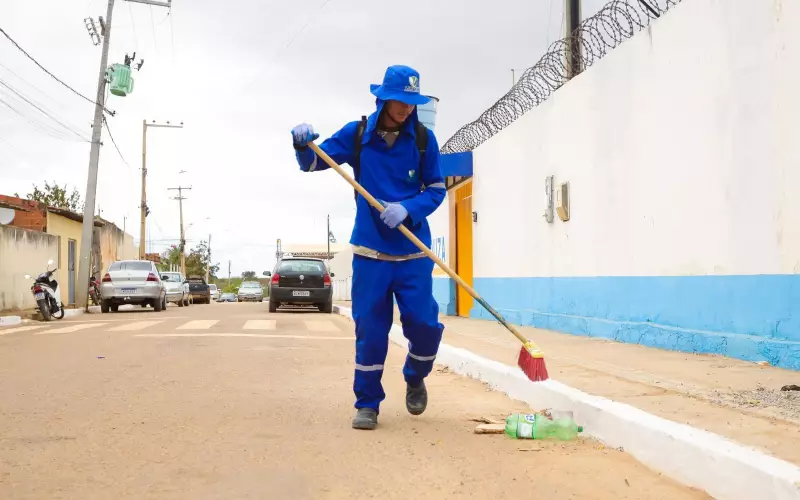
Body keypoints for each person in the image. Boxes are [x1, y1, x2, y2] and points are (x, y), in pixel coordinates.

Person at [291, 65, 446, 430]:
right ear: (383, 99)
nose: (407, 109)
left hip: (412, 253)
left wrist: (409, 208)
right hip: (371, 254)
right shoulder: (357, 134)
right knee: (371, 331)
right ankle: (368, 403)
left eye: (412, 102)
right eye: (401, 101)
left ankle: (414, 375)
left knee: (424, 326)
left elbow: (437, 190)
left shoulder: (424, 140)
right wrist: (302, 143)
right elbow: (316, 161)